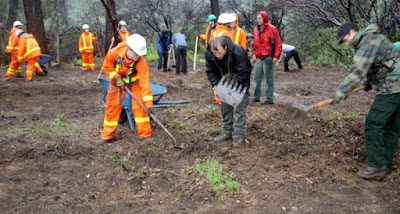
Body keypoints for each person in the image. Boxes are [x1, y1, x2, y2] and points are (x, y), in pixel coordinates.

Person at [333, 22, 400, 179]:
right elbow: (381, 62)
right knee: (391, 126)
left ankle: (377, 166)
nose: (346, 43)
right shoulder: (374, 38)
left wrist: (339, 93)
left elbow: (357, 72)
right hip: (397, 84)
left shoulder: (366, 42)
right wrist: (369, 83)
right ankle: (385, 164)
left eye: (344, 39)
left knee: (373, 123)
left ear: (351, 32)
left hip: (393, 85)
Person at [99, 34, 153, 143]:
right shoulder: (114, 53)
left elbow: (144, 83)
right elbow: (107, 67)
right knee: (112, 106)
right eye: (137, 54)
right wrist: (116, 77)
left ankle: (145, 134)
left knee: (140, 106)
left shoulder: (141, 62)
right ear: (129, 50)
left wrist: (148, 104)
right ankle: (107, 136)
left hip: (135, 81)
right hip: (117, 82)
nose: (139, 57)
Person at [205, 36, 251, 147]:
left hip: (241, 80)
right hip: (225, 79)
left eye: (219, 53)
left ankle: (239, 135)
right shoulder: (209, 53)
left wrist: (232, 87)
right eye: (215, 54)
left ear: (225, 48)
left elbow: (243, 72)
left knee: (240, 108)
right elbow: (210, 71)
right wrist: (215, 86)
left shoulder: (238, 51)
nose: (218, 56)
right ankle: (226, 131)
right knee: (225, 107)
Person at [252, 11, 282, 105]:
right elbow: (256, 43)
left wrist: (276, 56)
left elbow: (278, 43)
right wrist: (254, 54)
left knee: (269, 79)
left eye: (260, 18)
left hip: (269, 56)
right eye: (257, 18)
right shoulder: (256, 30)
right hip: (259, 56)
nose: (258, 20)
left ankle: (269, 99)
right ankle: (256, 97)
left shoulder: (272, 28)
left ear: (265, 18)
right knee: (256, 78)